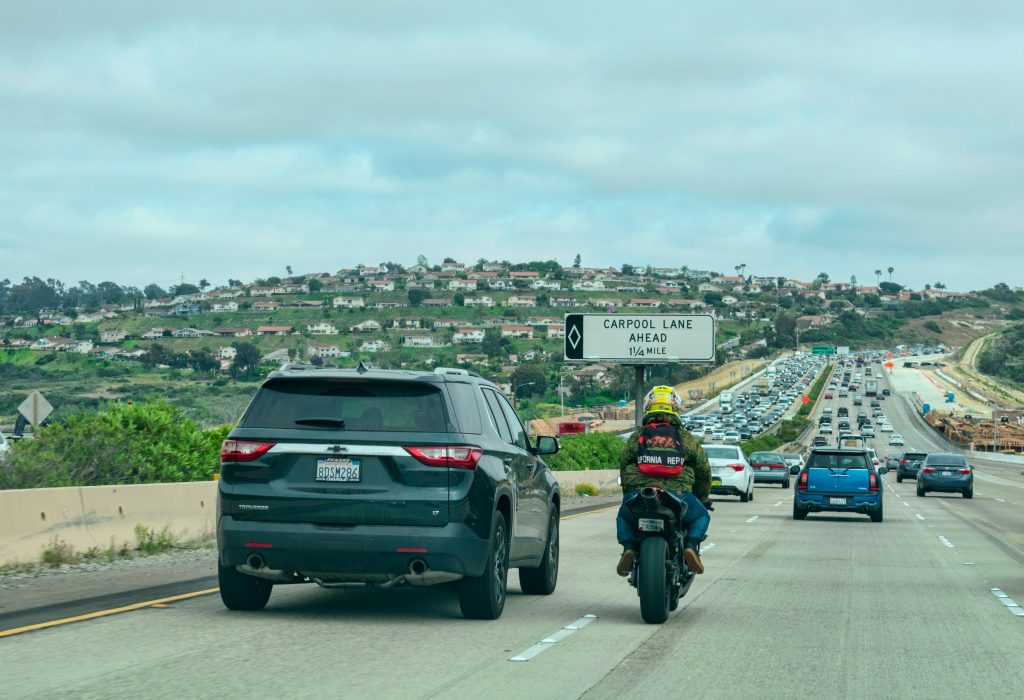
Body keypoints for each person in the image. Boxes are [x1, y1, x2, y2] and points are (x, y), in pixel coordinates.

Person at [616, 385, 712, 577]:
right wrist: (701, 499)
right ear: (676, 407)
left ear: (648, 407)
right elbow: (703, 470)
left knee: (624, 515)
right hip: (678, 496)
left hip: (641, 494)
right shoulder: (686, 438)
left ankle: (629, 547)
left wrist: (630, 494)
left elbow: (624, 465)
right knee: (702, 516)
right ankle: (691, 546)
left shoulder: (638, 436)